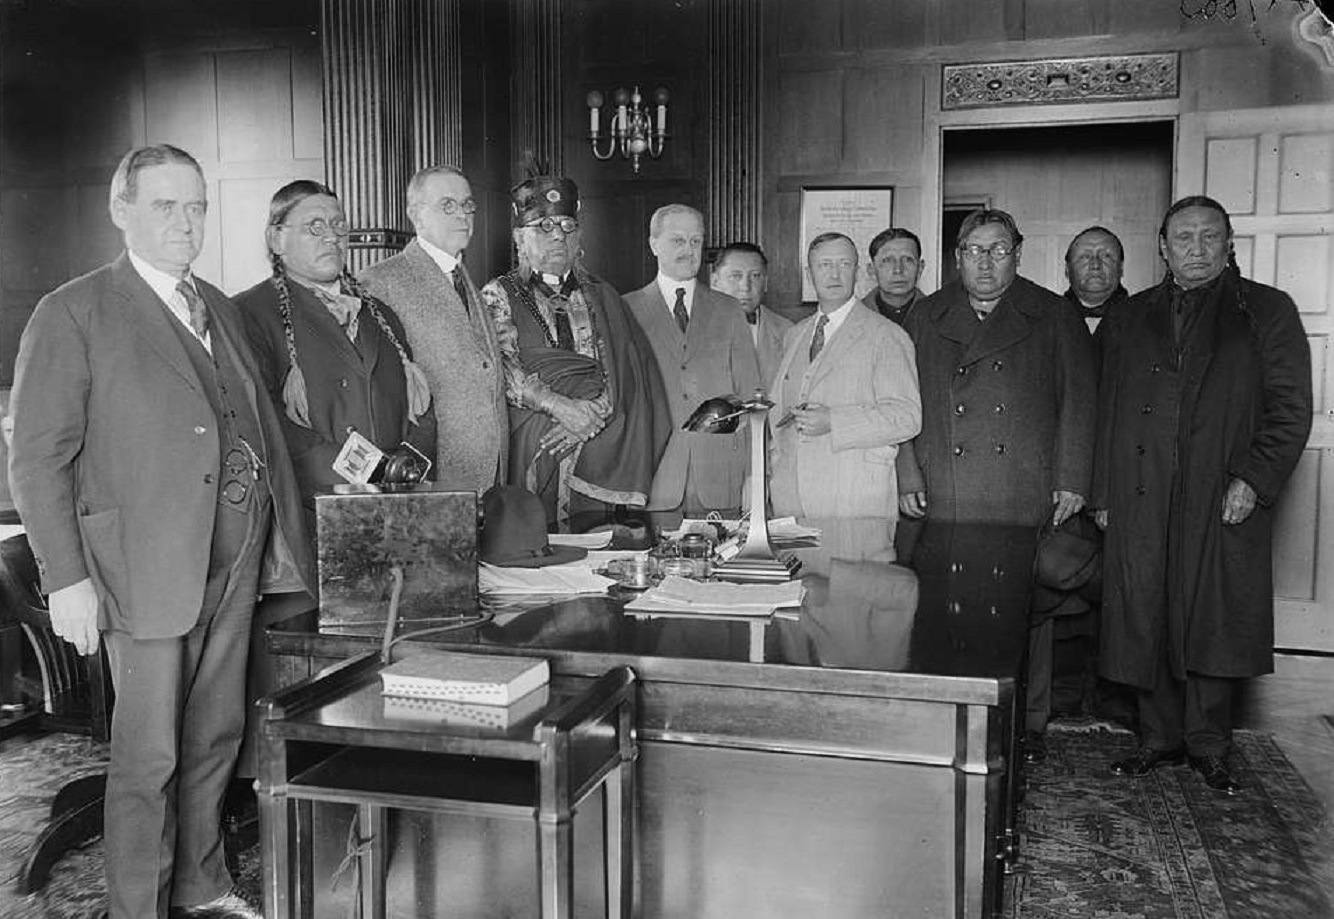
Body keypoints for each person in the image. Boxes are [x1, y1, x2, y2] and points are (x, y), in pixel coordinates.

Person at [7, 144, 313, 919]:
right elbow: (38, 458)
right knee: (149, 756)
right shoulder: (73, 311)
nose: (186, 222)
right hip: (139, 571)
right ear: (122, 210)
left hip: (234, 563)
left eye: (197, 206)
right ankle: (136, 905)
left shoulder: (216, 303)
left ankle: (201, 885)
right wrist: (66, 576)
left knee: (216, 735)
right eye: (165, 206)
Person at [1093, 195, 1312, 794]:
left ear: (1229, 244)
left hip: (1222, 491)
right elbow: (1103, 409)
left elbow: (1291, 410)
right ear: (1162, 247)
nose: (1195, 248)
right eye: (1182, 238)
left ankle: (1210, 744)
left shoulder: (1265, 310)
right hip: (1143, 491)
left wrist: (1255, 480)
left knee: (1214, 615)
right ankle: (1157, 738)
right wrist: (1103, 493)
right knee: (1148, 610)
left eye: (1208, 237)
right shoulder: (1129, 316)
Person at [896, 207, 1097, 761]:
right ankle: (950, 721)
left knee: (1023, 611)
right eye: (975, 251)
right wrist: (907, 473)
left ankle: (1025, 727)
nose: (986, 262)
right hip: (947, 487)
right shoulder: (926, 314)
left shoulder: (1053, 314)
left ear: (1018, 254)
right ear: (958, 258)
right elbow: (901, 404)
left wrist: (1073, 478)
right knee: (942, 605)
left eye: (999, 250)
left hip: (1021, 488)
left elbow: (1081, 400)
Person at [236, 179, 436, 538]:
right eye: (315, 226)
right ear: (276, 239)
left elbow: (420, 409)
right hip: (312, 513)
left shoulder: (382, 315)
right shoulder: (249, 314)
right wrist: (369, 474)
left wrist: (405, 475)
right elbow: (264, 420)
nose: (331, 236)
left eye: (338, 225)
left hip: (398, 508)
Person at [480, 170, 670, 531]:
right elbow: (497, 367)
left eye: (567, 226)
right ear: (520, 238)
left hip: (600, 445)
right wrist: (559, 407)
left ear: (579, 236)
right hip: (534, 445)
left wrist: (589, 419)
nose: (558, 237)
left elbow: (629, 370)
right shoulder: (497, 294)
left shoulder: (603, 294)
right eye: (544, 227)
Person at [358, 164, 507, 494]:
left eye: (467, 205)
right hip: (431, 473)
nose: (462, 215)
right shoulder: (380, 282)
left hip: (486, 472)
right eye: (448, 205)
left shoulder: (466, 279)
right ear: (416, 214)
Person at [769, 232, 921, 519]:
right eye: (824, 265)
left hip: (856, 500)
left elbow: (907, 417)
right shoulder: (795, 335)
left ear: (858, 270)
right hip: (791, 502)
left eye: (844, 264)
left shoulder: (886, 335)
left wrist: (834, 422)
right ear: (809, 273)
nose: (835, 273)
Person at [626, 204, 761, 523]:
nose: (688, 250)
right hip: (653, 481)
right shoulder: (626, 309)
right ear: (653, 244)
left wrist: (754, 478)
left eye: (696, 241)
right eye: (677, 240)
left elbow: (753, 397)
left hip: (720, 479)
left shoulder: (728, 310)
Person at [709, 241, 792, 387]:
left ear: (765, 283)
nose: (745, 287)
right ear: (715, 282)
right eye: (735, 276)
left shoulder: (788, 332)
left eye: (755, 276)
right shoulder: (692, 330)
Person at [1064, 226, 1130, 334]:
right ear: (1067, 269)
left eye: (1106, 256)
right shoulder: (1047, 322)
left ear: (1120, 268)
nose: (1095, 265)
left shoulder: (1144, 321)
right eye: (1085, 256)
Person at [861, 227, 927, 325]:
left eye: (907, 260)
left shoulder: (940, 316)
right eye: (888, 261)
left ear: (920, 268)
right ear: (872, 270)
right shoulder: (851, 319)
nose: (898, 270)